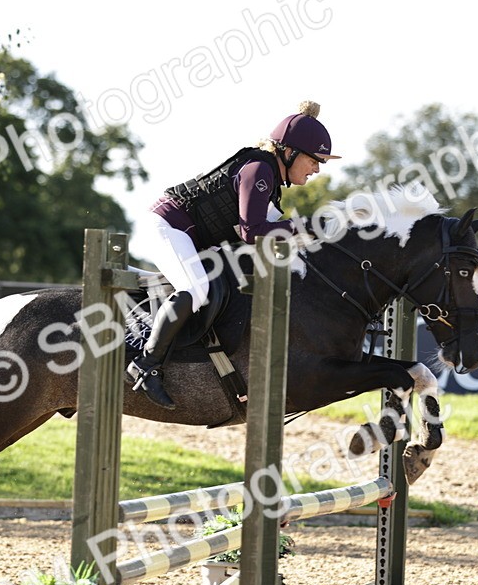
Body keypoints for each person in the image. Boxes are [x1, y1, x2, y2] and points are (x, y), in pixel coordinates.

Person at [127, 100, 340, 409]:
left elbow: (266, 236)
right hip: (168, 226)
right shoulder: (259, 169)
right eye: (313, 160)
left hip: (193, 238)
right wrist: (303, 225)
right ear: (290, 152)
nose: (317, 169)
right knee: (196, 289)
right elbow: (252, 232)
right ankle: (145, 365)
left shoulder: (268, 177)